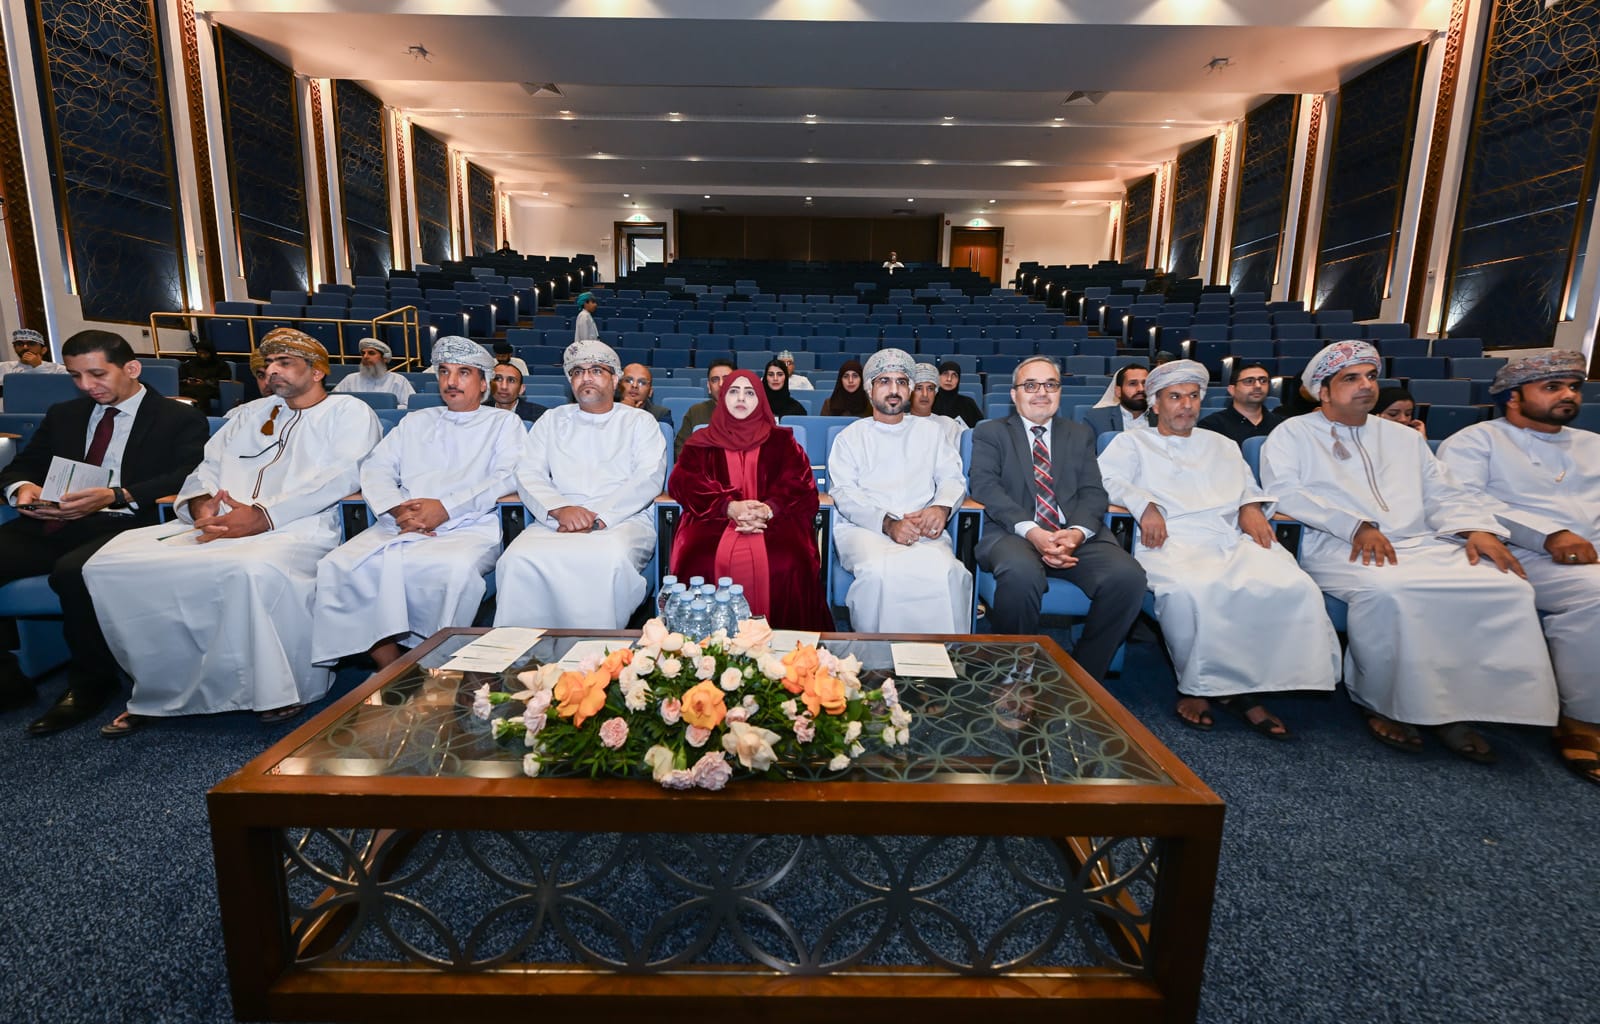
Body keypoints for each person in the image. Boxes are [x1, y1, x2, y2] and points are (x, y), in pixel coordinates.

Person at [1260, 340, 1557, 761]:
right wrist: (1355, 525)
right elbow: (1286, 493)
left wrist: (1476, 528)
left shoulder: (1404, 438)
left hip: (1422, 542)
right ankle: (1383, 703)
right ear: (1323, 391)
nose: (1366, 386)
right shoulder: (1292, 434)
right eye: (1350, 379)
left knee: (1506, 587)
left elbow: (1443, 491)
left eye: (1370, 377)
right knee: (1391, 591)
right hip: (1336, 545)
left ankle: (1461, 708)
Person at [83, 328, 383, 736]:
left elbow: (343, 476)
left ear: (317, 372)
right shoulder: (247, 414)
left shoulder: (348, 412)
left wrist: (263, 517)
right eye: (268, 364)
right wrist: (199, 504)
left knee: (251, 569)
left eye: (284, 363)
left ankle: (277, 690)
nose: (272, 371)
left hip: (298, 527)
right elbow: (205, 469)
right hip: (219, 524)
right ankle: (160, 691)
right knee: (110, 563)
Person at [1099, 360, 1340, 737]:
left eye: (1193, 396)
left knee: (1293, 585)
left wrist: (1250, 507)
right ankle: (1198, 687)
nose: (1186, 405)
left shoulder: (1222, 444)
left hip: (1227, 536)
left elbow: (1247, 487)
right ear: (1156, 404)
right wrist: (1143, 504)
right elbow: (1106, 480)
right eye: (1175, 397)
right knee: (1193, 591)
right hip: (1169, 540)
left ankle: (1249, 688)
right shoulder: (1131, 442)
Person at [0, 331, 208, 734]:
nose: (86, 386)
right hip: (53, 519)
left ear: (131, 368)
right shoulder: (64, 414)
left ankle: (91, 684)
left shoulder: (178, 417)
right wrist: (22, 488)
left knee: (73, 572)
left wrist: (117, 495)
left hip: (127, 522)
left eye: (97, 374)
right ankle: (8, 682)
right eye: (76, 376)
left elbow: (187, 475)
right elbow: (21, 467)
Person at [1437, 351, 1600, 786]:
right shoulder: (1476, 441)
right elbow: (1462, 501)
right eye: (1552, 387)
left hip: (1589, 554)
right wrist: (1550, 535)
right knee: (1595, 594)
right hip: (1515, 552)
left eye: (1573, 387)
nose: (1568, 395)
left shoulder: (1593, 445)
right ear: (1513, 397)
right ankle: (1582, 718)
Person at [312, 337, 524, 669]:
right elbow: (376, 467)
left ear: (484, 383)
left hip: (468, 525)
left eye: (463, 373)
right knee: (338, 565)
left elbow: (507, 477)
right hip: (400, 523)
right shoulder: (416, 420)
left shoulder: (503, 423)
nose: (451, 381)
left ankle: (436, 668)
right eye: (444, 372)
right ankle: (392, 669)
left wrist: (445, 508)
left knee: (450, 571)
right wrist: (397, 508)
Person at [968, 356, 1147, 681]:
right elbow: (985, 487)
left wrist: (1076, 533)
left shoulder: (1079, 434)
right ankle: (1014, 675)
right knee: (1020, 574)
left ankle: (1083, 677)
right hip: (1013, 532)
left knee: (1128, 577)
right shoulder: (991, 432)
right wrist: (1033, 531)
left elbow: (1093, 492)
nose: (1041, 392)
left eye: (1050, 385)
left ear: (1060, 392)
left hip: (1075, 535)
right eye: (1031, 385)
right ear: (1014, 394)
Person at [493, 340, 666, 629]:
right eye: (577, 372)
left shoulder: (640, 422)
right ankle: (523, 650)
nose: (586, 378)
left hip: (623, 519)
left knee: (606, 559)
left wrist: (599, 516)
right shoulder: (552, 420)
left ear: (614, 380)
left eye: (596, 370)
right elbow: (528, 472)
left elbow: (648, 477)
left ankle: (595, 650)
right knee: (516, 559)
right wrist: (560, 509)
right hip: (557, 519)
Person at [667, 369, 833, 631]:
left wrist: (768, 509)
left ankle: (789, 645)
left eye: (750, 392)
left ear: (761, 400)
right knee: (699, 559)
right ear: (723, 397)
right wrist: (728, 506)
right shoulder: (701, 441)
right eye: (734, 391)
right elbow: (683, 482)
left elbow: (800, 483)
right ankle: (703, 645)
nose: (741, 398)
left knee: (789, 561)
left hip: (774, 520)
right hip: (713, 519)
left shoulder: (782, 441)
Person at [827, 348, 971, 633]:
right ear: (869, 390)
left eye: (901, 382)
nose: (894, 390)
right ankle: (879, 657)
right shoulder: (850, 437)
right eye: (884, 381)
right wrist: (889, 524)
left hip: (922, 529)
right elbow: (844, 493)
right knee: (879, 574)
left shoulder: (931, 432)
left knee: (948, 572)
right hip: (866, 530)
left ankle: (943, 656)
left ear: (910, 389)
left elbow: (952, 477)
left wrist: (940, 508)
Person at [1197, 360, 1283, 447]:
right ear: (1232, 390)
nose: (1258, 386)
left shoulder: (1282, 425)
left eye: (1263, 381)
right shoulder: (1211, 426)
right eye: (1249, 381)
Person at [674, 357, 735, 457]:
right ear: (708, 387)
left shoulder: (749, 412)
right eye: (715, 380)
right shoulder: (696, 412)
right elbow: (681, 449)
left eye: (726, 378)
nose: (721, 384)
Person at [334, 337, 416, 408]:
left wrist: (388, 408)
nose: (365, 356)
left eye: (371, 353)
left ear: (384, 358)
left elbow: (410, 405)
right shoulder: (350, 379)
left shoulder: (398, 380)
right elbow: (334, 402)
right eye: (363, 353)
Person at [0, 328, 67, 410]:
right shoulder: (3, 367)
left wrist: (38, 366)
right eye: (20, 344)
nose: (25, 347)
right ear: (14, 348)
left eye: (31, 344)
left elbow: (58, 393)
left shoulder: (58, 369)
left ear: (43, 350)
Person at [1083, 364, 1153, 436]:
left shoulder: (1160, 417)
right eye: (1133, 384)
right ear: (1118, 391)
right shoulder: (1096, 418)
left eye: (1145, 383)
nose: (1141, 389)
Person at [909, 362, 965, 452]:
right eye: (919, 388)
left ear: (935, 392)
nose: (925, 394)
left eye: (930, 388)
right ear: (909, 392)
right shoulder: (898, 423)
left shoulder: (950, 425)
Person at [177, 337, 232, 409]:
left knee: (202, 392)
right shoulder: (190, 364)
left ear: (211, 353)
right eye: (200, 353)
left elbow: (224, 381)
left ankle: (201, 414)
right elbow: (182, 377)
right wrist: (188, 381)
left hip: (211, 389)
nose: (202, 356)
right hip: (191, 388)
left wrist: (205, 383)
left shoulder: (221, 365)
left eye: (205, 353)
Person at [931, 361, 983, 428]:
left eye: (954, 375)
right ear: (938, 377)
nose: (949, 379)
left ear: (958, 380)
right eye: (945, 374)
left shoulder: (968, 403)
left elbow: (980, 430)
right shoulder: (929, 401)